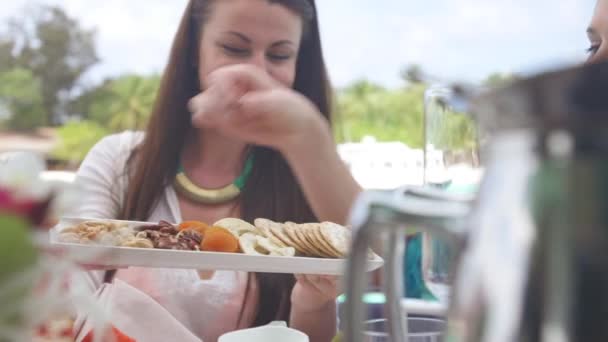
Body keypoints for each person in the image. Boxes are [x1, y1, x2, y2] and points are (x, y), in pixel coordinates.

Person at [72, 0, 362, 341]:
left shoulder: (311, 178)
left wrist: (309, 140)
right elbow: (69, 298)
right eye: (234, 48)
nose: (255, 75)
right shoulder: (118, 161)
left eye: (279, 55)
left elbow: (381, 259)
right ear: (195, 49)